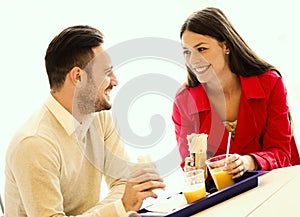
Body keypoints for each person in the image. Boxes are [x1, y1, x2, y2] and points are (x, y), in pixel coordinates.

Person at [4, 25, 165, 217]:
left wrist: (121, 205)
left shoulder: (100, 117)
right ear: (78, 77)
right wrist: (119, 208)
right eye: (107, 72)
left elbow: (123, 182)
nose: (115, 81)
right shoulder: (34, 143)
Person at [172, 7, 300, 179]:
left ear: (225, 46)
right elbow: (189, 166)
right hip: (226, 197)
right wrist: (194, 170)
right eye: (187, 52)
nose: (193, 60)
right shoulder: (184, 102)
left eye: (201, 49)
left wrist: (249, 162)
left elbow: (282, 153)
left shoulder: (269, 83)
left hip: (275, 185)